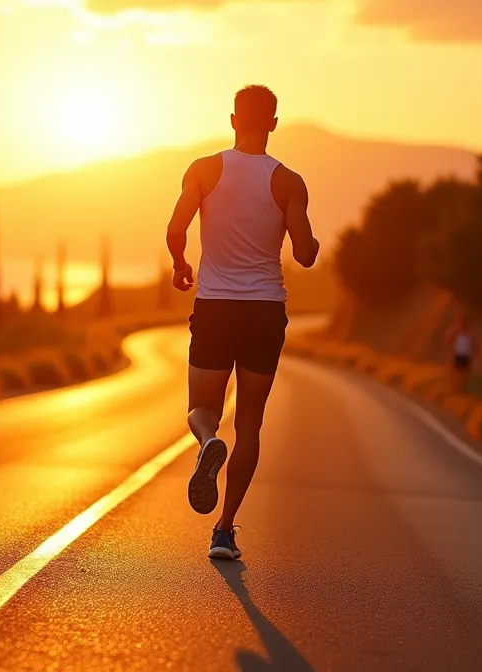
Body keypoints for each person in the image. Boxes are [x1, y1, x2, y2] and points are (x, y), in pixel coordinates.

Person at [165, 85, 319, 560]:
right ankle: (224, 529)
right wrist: (309, 242)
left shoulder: (204, 169)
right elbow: (305, 254)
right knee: (250, 422)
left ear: (234, 119)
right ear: (273, 123)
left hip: (214, 305)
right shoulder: (289, 182)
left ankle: (209, 441)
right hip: (264, 310)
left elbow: (176, 230)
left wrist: (180, 265)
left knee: (201, 408)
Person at [447, 314, 474, 393]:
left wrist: (473, 353)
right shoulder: (456, 332)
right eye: (461, 322)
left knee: (465, 374)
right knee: (457, 373)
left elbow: (473, 343)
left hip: (466, 355)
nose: (462, 324)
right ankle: (456, 390)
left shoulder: (469, 333)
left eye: (464, 322)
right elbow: (448, 338)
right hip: (458, 354)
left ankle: (463, 390)